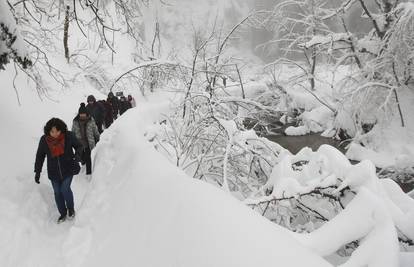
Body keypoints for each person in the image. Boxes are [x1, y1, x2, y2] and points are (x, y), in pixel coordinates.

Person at [34, 118, 82, 224]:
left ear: (61, 130)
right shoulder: (44, 140)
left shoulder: (68, 136)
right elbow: (40, 156)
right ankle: (63, 213)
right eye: (52, 131)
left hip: (68, 168)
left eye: (57, 131)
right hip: (53, 172)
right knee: (57, 192)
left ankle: (71, 208)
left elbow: (79, 146)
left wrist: (77, 156)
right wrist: (37, 171)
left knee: (64, 189)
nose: (55, 134)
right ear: (48, 131)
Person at [72, 103, 100, 176]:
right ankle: (83, 164)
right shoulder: (75, 121)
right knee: (81, 157)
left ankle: (88, 173)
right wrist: (72, 140)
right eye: (81, 114)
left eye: (84, 114)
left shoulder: (91, 120)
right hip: (79, 143)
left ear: (86, 114)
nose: (82, 115)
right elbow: (73, 131)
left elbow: (95, 129)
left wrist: (98, 137)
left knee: (88, 158)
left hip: (88, 142)